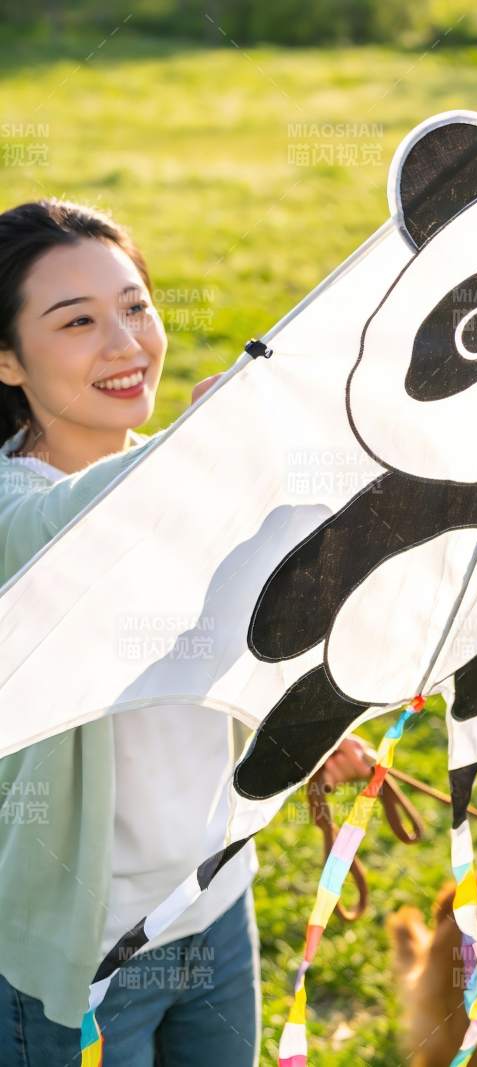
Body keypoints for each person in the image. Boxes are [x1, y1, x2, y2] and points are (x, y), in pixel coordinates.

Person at [0, 198, 371, 1066]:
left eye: (136, 306)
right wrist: (214, 442)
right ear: (7, 360)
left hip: (211, 912)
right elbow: (81, 529)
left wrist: (296, 724)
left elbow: (218, 640)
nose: (127, 344)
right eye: (78, 321)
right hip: (77, 961)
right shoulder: (21, 515)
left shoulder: (189, 481)